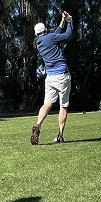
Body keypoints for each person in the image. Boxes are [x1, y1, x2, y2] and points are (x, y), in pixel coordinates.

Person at [31, 10, 73, 145]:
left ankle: (37, 125)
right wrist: (70, 21)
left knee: (47, 104)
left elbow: (55, 34)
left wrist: (62, 20)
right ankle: (60, 135)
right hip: (62, 76)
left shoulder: (38, 42)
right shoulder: (50, 38)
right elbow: (67, 35)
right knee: (63, 106)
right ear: (46, 30)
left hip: (50, 77)